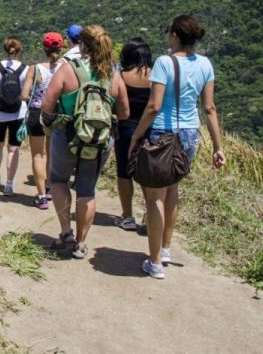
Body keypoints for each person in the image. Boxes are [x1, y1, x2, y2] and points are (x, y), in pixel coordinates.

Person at [129, 15, 226, 279]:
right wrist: (218, 147)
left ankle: (155, 262)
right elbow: (209, 108)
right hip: (190, 134)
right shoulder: (205, 64)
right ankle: (166, 248)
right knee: (173, 190)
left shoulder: (164, 63)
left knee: (154, 198)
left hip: (162, 133)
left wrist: (137, 137)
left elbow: (154, 106)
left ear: (174, 36)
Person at [40, 25, 129, 259]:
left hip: (67, 135)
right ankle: (81, 244)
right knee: (87, 191)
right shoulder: (113, 75)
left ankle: (65, 232)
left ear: (82, 45)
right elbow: (125, 113)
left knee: (58, 180)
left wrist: (52, 121)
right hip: (99, 141)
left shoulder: (69, 70)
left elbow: (47, 104)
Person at [113, 38, 153, 231]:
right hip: (150, 129)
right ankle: (150, 217)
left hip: (125, 128)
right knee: (147, 174)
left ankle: (128, 216)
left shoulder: (121, 75)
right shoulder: (156, 76)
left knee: (123, 172)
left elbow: (114, 102)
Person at [21, 32, 64, 210]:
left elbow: (24, 95)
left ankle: (40, 197)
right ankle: (50, 190)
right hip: (56, 113)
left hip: (36, 112)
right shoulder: (66, 68)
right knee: (51, 154)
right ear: (61, 48)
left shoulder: (35, 68)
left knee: (38, 155)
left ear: (43, 49)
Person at [0, 36, 29, 197]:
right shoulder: (26, 69)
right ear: (19, 50)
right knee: (13, 148)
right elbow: (26, 94)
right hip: (19, 113)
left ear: (5, 49)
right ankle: (9, 184)